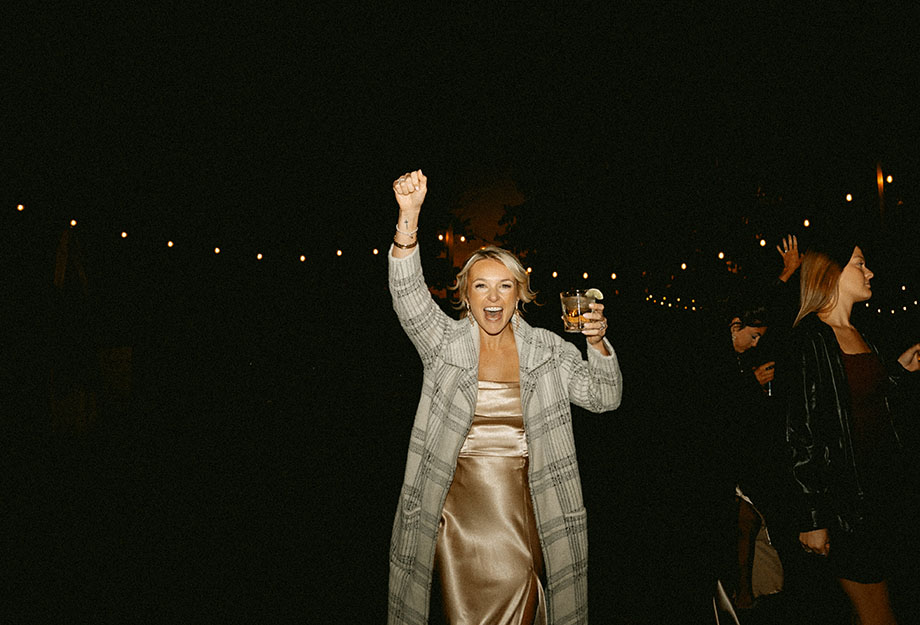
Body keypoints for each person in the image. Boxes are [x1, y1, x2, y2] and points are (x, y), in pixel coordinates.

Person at [387, 170, 623, 625]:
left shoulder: (548, 352)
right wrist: (409, 216)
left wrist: (597, 346)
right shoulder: (443, 345)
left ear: (520, 295)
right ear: (465, 295)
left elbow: (604, 397)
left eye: (504, 286)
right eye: (480, 286)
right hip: (457, 523)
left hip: (524, 514)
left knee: (523, 600)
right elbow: (406, 293)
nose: (492, 298)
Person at [782, 239, 920, 625]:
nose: (869, 271)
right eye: (860, 263)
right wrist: (813, 518)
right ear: (832, 273)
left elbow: (856, 402)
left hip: (880, 498)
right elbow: (801, 430)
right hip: (847, 508)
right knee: (878, 613)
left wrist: (897, 371)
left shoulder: (857, 332)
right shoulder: (810, 337)